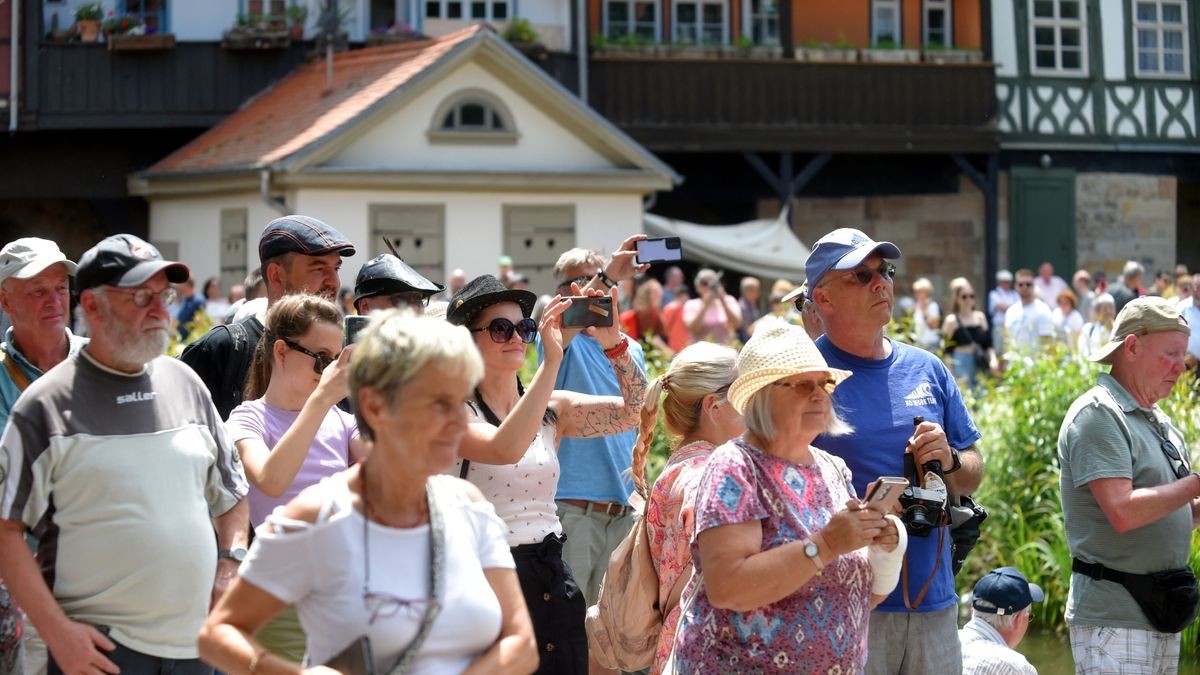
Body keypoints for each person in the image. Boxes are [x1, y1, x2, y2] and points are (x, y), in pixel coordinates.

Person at [199, 312, 539, 675]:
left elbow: (522, 644)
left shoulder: (470, 506)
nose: (459, 421)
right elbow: (218, 634)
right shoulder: (318, 517)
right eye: (439, 404)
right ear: (376, 407)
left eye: (461, 402)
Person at [0, 234, 249, 675]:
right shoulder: (44, 405)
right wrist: (57, 633)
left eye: (163, 295)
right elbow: (6, 530)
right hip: (100, 655)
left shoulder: (185, 383)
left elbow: (232, 492)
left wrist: (230, 565)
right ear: (93, 307)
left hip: (195, 646)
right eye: (140, 297)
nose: (159, 310)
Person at [671, 319, 901, 672]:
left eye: (824, 384)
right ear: (761, 395)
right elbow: (728, 587)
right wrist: (825, 544)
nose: (819, 394)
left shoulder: (833, 469)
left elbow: (852, 597)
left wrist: (883, 549)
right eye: (801, 385)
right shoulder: (736, 466)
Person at [805, 227, 984, 674]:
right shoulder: (804, 377)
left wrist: (950, 460)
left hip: (934, 601)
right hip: (846, 606)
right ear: (822, 299)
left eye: (884, 271)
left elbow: (973, 473)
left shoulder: (928, 368)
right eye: (861, 276)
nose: (881, 282)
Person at [449, 275, 647, 674]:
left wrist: (614, 344)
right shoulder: (452, 413)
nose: (516, 337)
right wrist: (551, 362)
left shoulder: (553, 409)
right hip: (487, 579)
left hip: (552, 575)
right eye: (500, 328)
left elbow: (637, 411)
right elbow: (505, 447)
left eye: (523, 327)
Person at [225, 295, 369, 661]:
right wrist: (323, 399)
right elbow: (270, 480)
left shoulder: (341, 419)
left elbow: (393, 466)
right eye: (321, 358)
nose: (330, 370)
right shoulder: (248, 418)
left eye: (337, 360)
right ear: (281, 350)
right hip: (281, 591)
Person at [1058, 296, 1197, 673]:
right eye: (1170, 354)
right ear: (1132, 347)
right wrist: (1195, 485)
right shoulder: (1099, 414)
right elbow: (1123, 511)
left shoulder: (1158, 420)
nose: (1180, 367)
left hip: (1161, 611)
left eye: (1183, 356)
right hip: (1114, 618)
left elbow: (1177, 506)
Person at [541, 241, 650, 615]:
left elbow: (641, 416)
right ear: (561, 294)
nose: (594, 289)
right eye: (581, 282)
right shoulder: (558, 341)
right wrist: (608, 275)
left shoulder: (629, 348)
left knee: (613, 634)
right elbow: (567, 323)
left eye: (596, 281)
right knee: (569, 627)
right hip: (574, 510)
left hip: (622, 510)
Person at [628, 342, 743, 674]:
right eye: (744, 392)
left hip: (680, 644)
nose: (754, 404)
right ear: (714, 406)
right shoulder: (703, 474)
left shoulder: (681, 465)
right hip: (705, 649)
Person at [0, 238, 87, 675]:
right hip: (21, 582)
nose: (54, 300)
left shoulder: (103, 363)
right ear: (5, 300)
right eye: (37, 291)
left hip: (106, 579)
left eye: (60, 288)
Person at [181, 215, 355, 420]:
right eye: (318, 269)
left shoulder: (341, 352)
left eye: (336, 268)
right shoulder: (221, 350)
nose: (333, 282)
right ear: (276, 276)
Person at [959, 567, 1043, 675]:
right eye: (1029, 617)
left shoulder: (945, 643)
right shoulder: (1017, 668)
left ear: (972, 608)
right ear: (1019, 619)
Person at [941, 279, 997, 385]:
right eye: (964, 296)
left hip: (979, 361)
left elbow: (988, 344)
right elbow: (946, 350)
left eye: (971, 296)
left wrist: (993, 360)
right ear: (957, 299)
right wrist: (950, 371)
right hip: (960, 362)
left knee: (982, 394)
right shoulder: (951, 320)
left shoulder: (980, 317)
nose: (968, 299)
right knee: (965, 395)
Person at [353, 253, 443, 315]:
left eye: (418, 298)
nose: (414, 308)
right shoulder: (339, 342)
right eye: (400, 299)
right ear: (365, 306)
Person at [1004, 269, 1055, 355]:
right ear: (1015, 287)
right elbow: (1007, 341)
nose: (1024, 287)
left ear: (1034, 286)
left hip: (1036, 366)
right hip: (1015, 366)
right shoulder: (1011, 311)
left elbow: (1048, 344)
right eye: (1021, 284)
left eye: (1028, 284)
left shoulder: (1043, 310)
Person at [683, 268, 741, 344]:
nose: (709, 286)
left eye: (713, 283)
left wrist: (722, 300)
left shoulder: (729, 300)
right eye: (704, 283)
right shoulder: (691, 304)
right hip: (701, 351)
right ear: (697, 286)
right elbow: (692, 329)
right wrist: (705, 305)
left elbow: (737, 324)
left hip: (726, 350)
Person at [620, 278, 673, 357]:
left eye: (659, 290)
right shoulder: (647, 313)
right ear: (647, 294)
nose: (659, 294)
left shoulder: (654, 311)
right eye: (655, 292)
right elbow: (651, 337)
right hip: (648, 354)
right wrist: (669, 352)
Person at [988, 270, 1019, 354]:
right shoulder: (994, 294)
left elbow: (1017, 308)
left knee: (1010, 350)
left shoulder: (1014, 294)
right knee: (999, 351)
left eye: (1008, 282)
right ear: (999, 282)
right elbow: (1000, 306)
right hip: (999, 325)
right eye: (1004, 282)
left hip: (1012, 326)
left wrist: (1005, 307)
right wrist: (1011, 307)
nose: (1006, 284)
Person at [1077, 293, 1116, 358]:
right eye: (1105, 309)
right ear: (1098, 312)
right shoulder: (1088, 329)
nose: (1109, 311)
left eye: (1111, 307)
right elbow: (1082, 351)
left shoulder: (1120, 329)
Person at [911, 278, 942, 351]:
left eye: (920, 292)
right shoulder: (916, 305)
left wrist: (925, 311)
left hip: (931, 343)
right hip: (919, 343)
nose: (917, 294)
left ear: (927, 292)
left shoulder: (932, 306)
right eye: (916, 292)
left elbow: (935, 326)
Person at [737, 276, 761, 341]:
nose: (759, 293)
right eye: (757, 290)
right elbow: (748, 330)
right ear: (749, 292)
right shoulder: (743, 307)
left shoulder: (752, 304)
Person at [1183, 290, 1200, 372]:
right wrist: (1185, 354)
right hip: (1189, 363)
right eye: (1196, 287)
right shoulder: (1184, 306)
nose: (1197, 291)